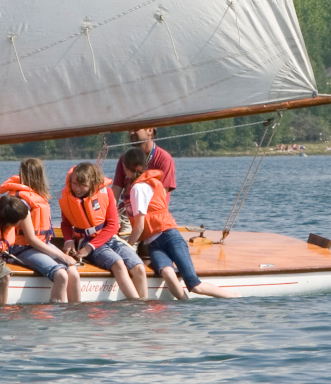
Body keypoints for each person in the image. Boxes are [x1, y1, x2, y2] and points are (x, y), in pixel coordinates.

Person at [119, 147, 236, 300]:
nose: (124, 172)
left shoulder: (138, 188)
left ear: (132, 168)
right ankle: (185, 304)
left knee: (195, 285)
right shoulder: (146, 184)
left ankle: (234, 297)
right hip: (153, 244)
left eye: (125, 168)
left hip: (170, 237)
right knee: (168, 273)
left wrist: (127, 248)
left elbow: (139, 226)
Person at [0, 159, 81, 303]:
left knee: (73, 271)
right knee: (61, 275)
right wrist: (61, 255)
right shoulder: (21, 201)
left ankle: (76, 311)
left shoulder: (36, 197)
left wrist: (63, 256)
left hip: (42, 244)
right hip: (22, 248)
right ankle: (59, 312)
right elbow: (30, 239)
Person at [59, 161, 145, 300]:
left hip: (109, 239)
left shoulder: (107, 193)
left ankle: (143, 305)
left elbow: (113, 225)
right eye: (74, 183)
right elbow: (65, 224)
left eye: (82, 185)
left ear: (92, 183)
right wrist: (69, 241)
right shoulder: (68, 198)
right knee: (118, 263)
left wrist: (90, 248)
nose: (77, 188)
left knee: (139, 266)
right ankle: (136, 303)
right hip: (85, 240)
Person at [109, 127, 176, 196]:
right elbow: (115, 191)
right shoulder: (125, 159)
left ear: (150, 130)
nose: (131, 133)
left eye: (135, 129)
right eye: (129, 130)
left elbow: (162, 195)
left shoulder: (164, 159)